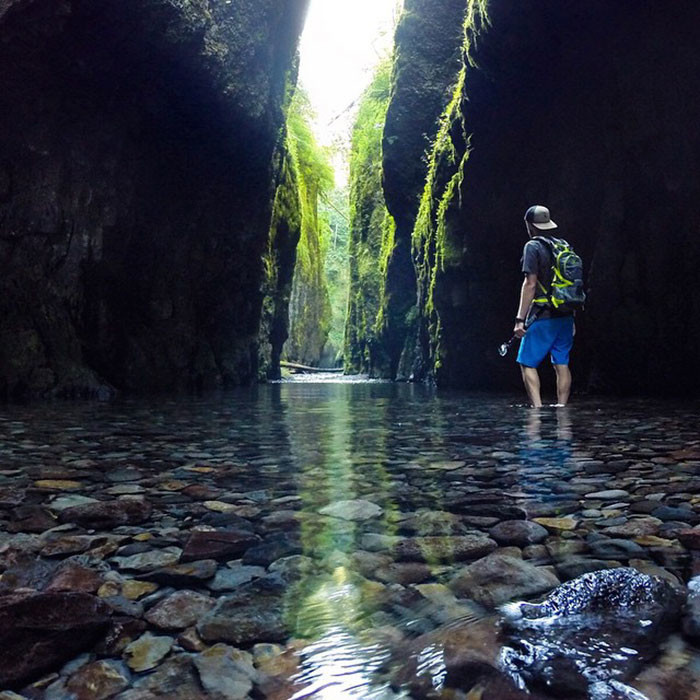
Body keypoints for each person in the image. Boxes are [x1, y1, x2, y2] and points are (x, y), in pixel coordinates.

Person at [513, 205, 575, 408]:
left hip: (543, 315)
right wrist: (573, 316)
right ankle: (562, 408)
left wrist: (520, 319)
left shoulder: (532, 247)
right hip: (565, 315)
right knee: (561, 363)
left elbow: (530, 283)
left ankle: (537, 410)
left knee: (527, 363)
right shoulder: (563, 245)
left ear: (530, 225)